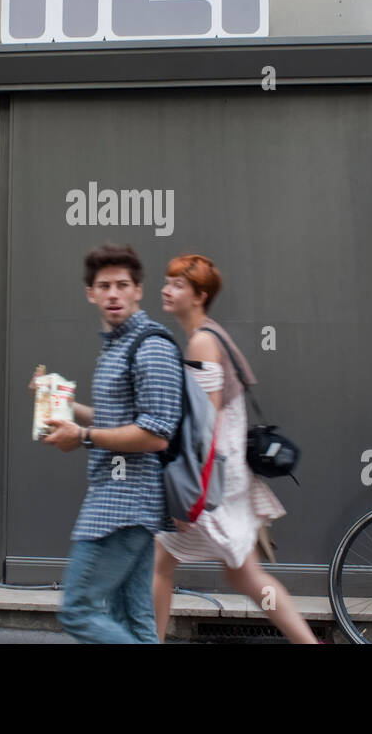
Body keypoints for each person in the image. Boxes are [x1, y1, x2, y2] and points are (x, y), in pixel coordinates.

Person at [153, 254, 319, 644]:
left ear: (199, 295)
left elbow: (203, 426)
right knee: (241, 573)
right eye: (167, 281)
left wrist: (188, 498)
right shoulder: (211, 335)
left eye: (177, 284)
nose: (166, 289)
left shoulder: (202, 342)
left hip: (213, 480)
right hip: (225, 477)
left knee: (162, 564)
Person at [39, 243, 182, 643]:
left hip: (123, 504)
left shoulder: (151, 346)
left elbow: (155, 435)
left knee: (78, 610)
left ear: (138, 290)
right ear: (91, 293)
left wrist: (82, 436)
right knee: (132, 621)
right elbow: (116, 421)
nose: (113, 293)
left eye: (122, 284)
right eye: (104, 285)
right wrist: (59, 401)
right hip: (122, 503)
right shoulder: (117, 345)